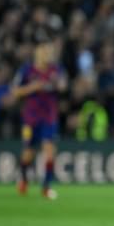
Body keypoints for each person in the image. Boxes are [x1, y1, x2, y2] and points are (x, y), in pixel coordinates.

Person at [11, 29, 67, 199]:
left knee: (49, 150)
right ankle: (23, 179)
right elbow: (15, 92)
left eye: (49, 51)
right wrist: (32, 87)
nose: (47, 54)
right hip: (31, 118)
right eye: (44, 50)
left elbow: (64, 86)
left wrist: (59, 84)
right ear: (37, 52)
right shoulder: (27, 71)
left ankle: (46, 186)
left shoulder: (56, 70)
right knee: (28, 152)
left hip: (49, 117)